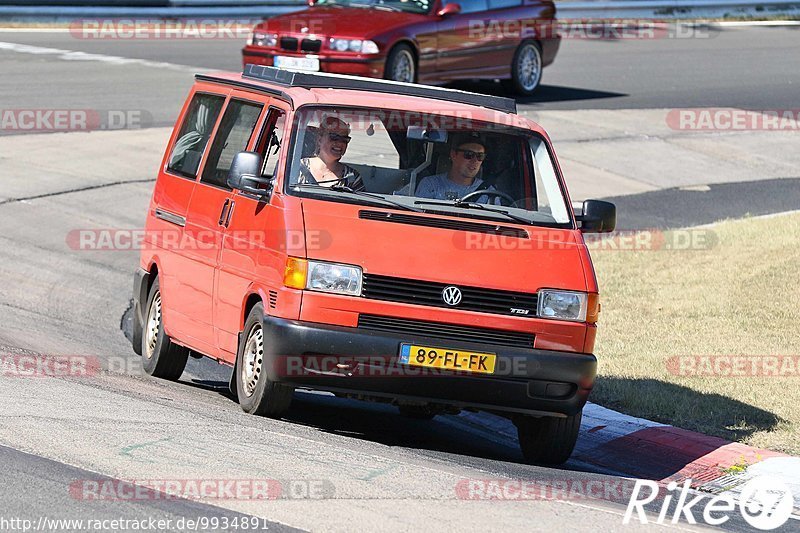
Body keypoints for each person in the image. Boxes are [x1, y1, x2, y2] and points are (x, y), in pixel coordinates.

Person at [415, 132, 499, 204]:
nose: (475, 161)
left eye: (480, 156)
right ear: (453, 154)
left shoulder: (489, 193)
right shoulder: (430, 185)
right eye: (469, 154)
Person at [299, 115, 365, 191]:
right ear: (320, 139)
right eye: (334, 137)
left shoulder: (352, 178)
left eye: (344, 139)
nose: (340, 143)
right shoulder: (297, 168)